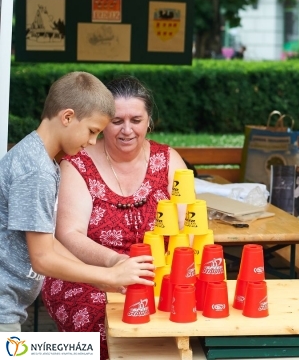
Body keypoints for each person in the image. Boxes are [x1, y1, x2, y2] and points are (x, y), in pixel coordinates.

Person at [42, 76, 187, 359]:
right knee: (106, 324)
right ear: (102, 121)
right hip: (87, 276)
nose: (127, 130)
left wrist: (170, 274)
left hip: (158, 275)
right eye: (117, 121)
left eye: (136, 119)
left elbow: (187, 226)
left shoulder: (168, 160)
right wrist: (115, 264)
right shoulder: (78, 164)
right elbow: (69, 234)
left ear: (149, 120)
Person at [0, 72, 154, 333]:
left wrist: (101, 276)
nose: (93, 141)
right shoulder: (35, 170)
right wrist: (107, 276)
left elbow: (46, 242)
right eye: (92, 131)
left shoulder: (39, 158)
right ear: (68, 117)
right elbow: (42, 259)